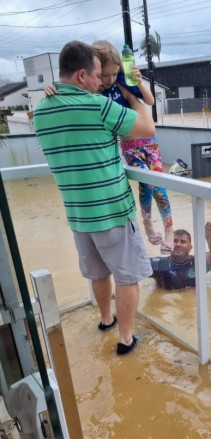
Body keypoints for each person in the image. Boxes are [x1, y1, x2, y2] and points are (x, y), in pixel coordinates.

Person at [34, 40, 155, 355]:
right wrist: (132, 94)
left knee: (98, 272)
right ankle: (126, 338)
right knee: (127, 276)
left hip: (78, 215)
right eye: (98, 75)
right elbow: (147, 128)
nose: (101, 81)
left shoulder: (41, 111)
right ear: (81, 76)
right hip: (113, 211)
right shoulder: (96, 106)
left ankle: (105, 319)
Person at [92, 40, 174, 254]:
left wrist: (137, 82)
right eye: (105, 75)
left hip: (150, 143)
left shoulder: (122, 81)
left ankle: (169, 229)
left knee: (159, 182)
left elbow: (149, 101)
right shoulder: (94, 93)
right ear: (96, 71)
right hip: (129, 145)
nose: (109, 80)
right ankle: (147, 222)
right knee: (146, 183)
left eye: (113, 74)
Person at [150, 220, 211, 290]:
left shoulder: (198, 262)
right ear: (169, 244)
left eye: (183, 242)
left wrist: (210, 238)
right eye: (175, 241)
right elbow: (139, 265)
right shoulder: (159, 264)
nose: (178, 244)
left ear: (190, 248)